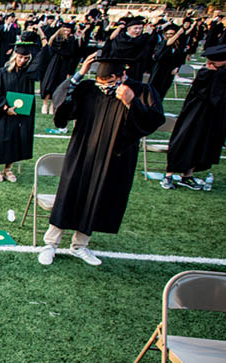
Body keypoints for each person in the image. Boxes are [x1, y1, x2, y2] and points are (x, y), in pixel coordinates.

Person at [38, 51, 164, 267]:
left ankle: (80, 245)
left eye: (109, 81)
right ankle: (50, 244)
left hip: (114, 158)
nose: (104, 86)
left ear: (122, 75)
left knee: (97, 199)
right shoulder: (88, 89)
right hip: (83, 152)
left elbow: (153, 121)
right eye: (100, 81)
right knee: (69, 195)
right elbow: (62, 107)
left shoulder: (140, 91)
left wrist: (131, 103)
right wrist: (80, 73)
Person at [162, 44, 226, 190]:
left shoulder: (219, 73)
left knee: (201, 145)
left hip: (211, 117)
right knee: (185, 140)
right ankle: (169, 174)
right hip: (196, 115)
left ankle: (187, 175)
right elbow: (212, 97)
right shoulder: (208, 73)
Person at [0, 42, 41, 182]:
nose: (22, 60)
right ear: (14, 56)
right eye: (20, 57)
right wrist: (6, 108)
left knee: (16, 139)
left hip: (20, 114)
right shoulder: (3, 72)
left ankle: (8, 169)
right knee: (2, 139)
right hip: (5, 113)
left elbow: (29, 95)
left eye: (25, 58)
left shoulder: (28, 75)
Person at [39, 24, 77, 115]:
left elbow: (72, 53)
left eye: (68, 31)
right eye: (65, 30)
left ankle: (53, 106)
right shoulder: (57, 39)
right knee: (49, 83)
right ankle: (45, 104)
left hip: (64, 66)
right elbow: (57, 50)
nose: (67, 32)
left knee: (58, 86)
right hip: (54, 64)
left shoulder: (71, 40)